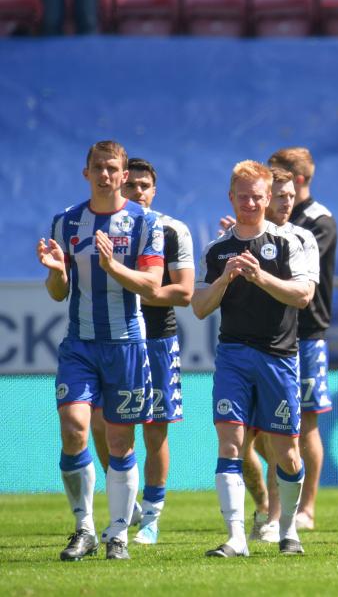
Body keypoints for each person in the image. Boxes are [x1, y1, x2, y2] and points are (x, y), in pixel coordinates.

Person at [39, 140, 165, 561]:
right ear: (86, 172)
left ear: (124, 175)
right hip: (80, 343)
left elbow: (153, 285)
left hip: (127, 344)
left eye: (113, 168)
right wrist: (57, 273)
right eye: (98, 167)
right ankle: (84, 528)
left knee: (119, 442)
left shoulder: (145, 223)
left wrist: (114, 268)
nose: (106, 175)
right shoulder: (67, 222)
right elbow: (58, 294)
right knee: (75, 428)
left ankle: (118, 534)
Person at [193, 161, 315, 557]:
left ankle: (288, 530)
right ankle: (235, 537)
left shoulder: (288, 243)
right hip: (232, 354)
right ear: (231, 197)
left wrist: (260, 276)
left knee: (288, 453)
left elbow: (302, 296)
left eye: (257, 196)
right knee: (230, 443)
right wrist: (226, 278)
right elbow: (198, 307)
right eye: (242, 196)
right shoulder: (216, 250)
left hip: (278, 356)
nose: (250, 203)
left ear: (268, 198)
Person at [119, 158, 194, 545]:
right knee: (104, 425)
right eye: (130, 185)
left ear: (155, 189)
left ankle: (151, 518)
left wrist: (137, 288)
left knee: (155, 430)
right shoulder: (106, 229)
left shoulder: (172, 229)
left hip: (157, 339)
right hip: (114, 338)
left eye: (144, 185)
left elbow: (183, 292)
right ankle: (126, 502)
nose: (138, 192)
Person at [268, 147, 338, 532]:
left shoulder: (318, 221)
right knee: (266, 425)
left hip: (307, 333)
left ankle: (306, 507)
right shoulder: (271, 216)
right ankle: (271, 503)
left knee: (305, 423)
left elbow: (293, 266)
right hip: (269, 331)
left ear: (295, 180)